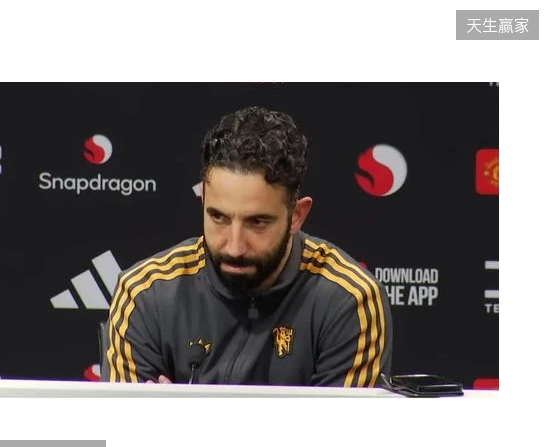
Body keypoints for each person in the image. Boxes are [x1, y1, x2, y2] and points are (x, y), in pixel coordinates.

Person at [101, 106, 393, 387]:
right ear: (203, 202)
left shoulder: (350, 299)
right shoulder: (144, 293)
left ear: (297, 216)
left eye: (257, 222)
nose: (235, 247)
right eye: (219, 217)